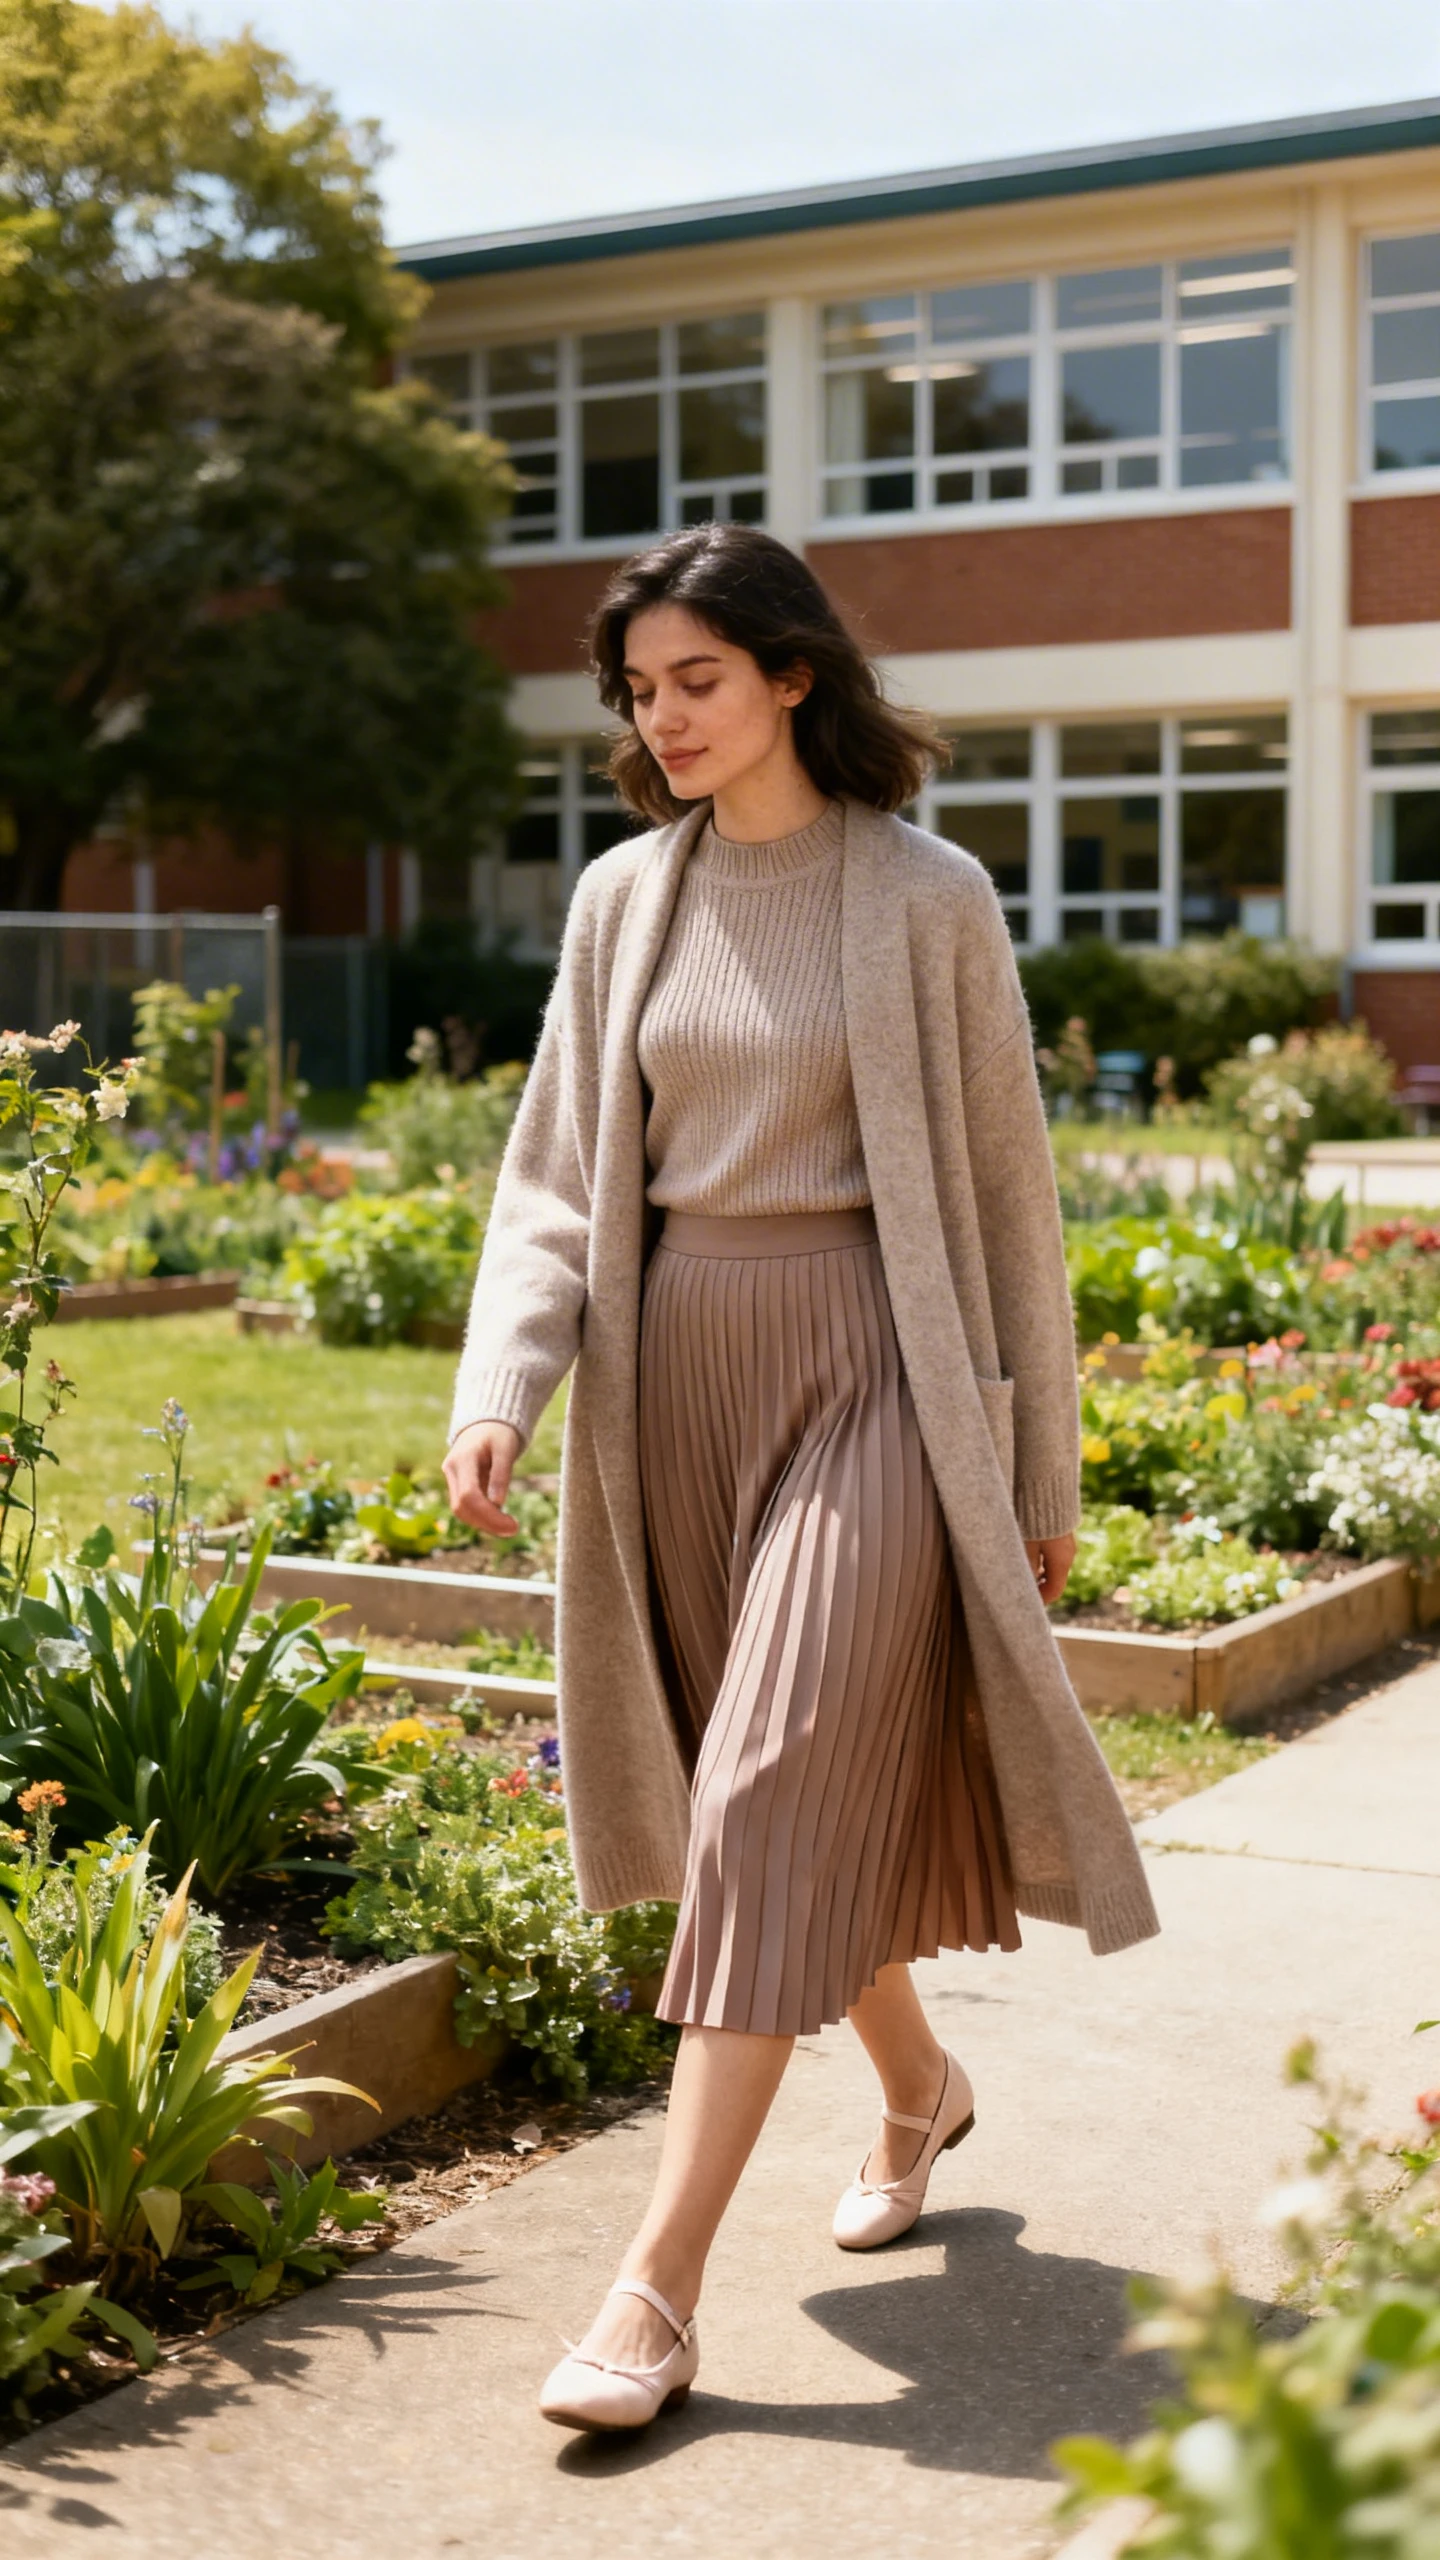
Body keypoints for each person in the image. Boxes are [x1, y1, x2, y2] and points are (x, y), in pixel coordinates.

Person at [443, 523, 1158, 2435]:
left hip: (878, 1382)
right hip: (678, 1392)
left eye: (697, 679)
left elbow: (1013, 1204)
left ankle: (651, 2295)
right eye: (639, 691)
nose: (663, 718)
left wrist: (1038, 1457)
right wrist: (505, 1380)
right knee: (776, 1807)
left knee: (764, 1798)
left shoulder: (924, 897)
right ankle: (918, 2088)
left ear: (791, 677)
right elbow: (553, 1178)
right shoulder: (623, 900)